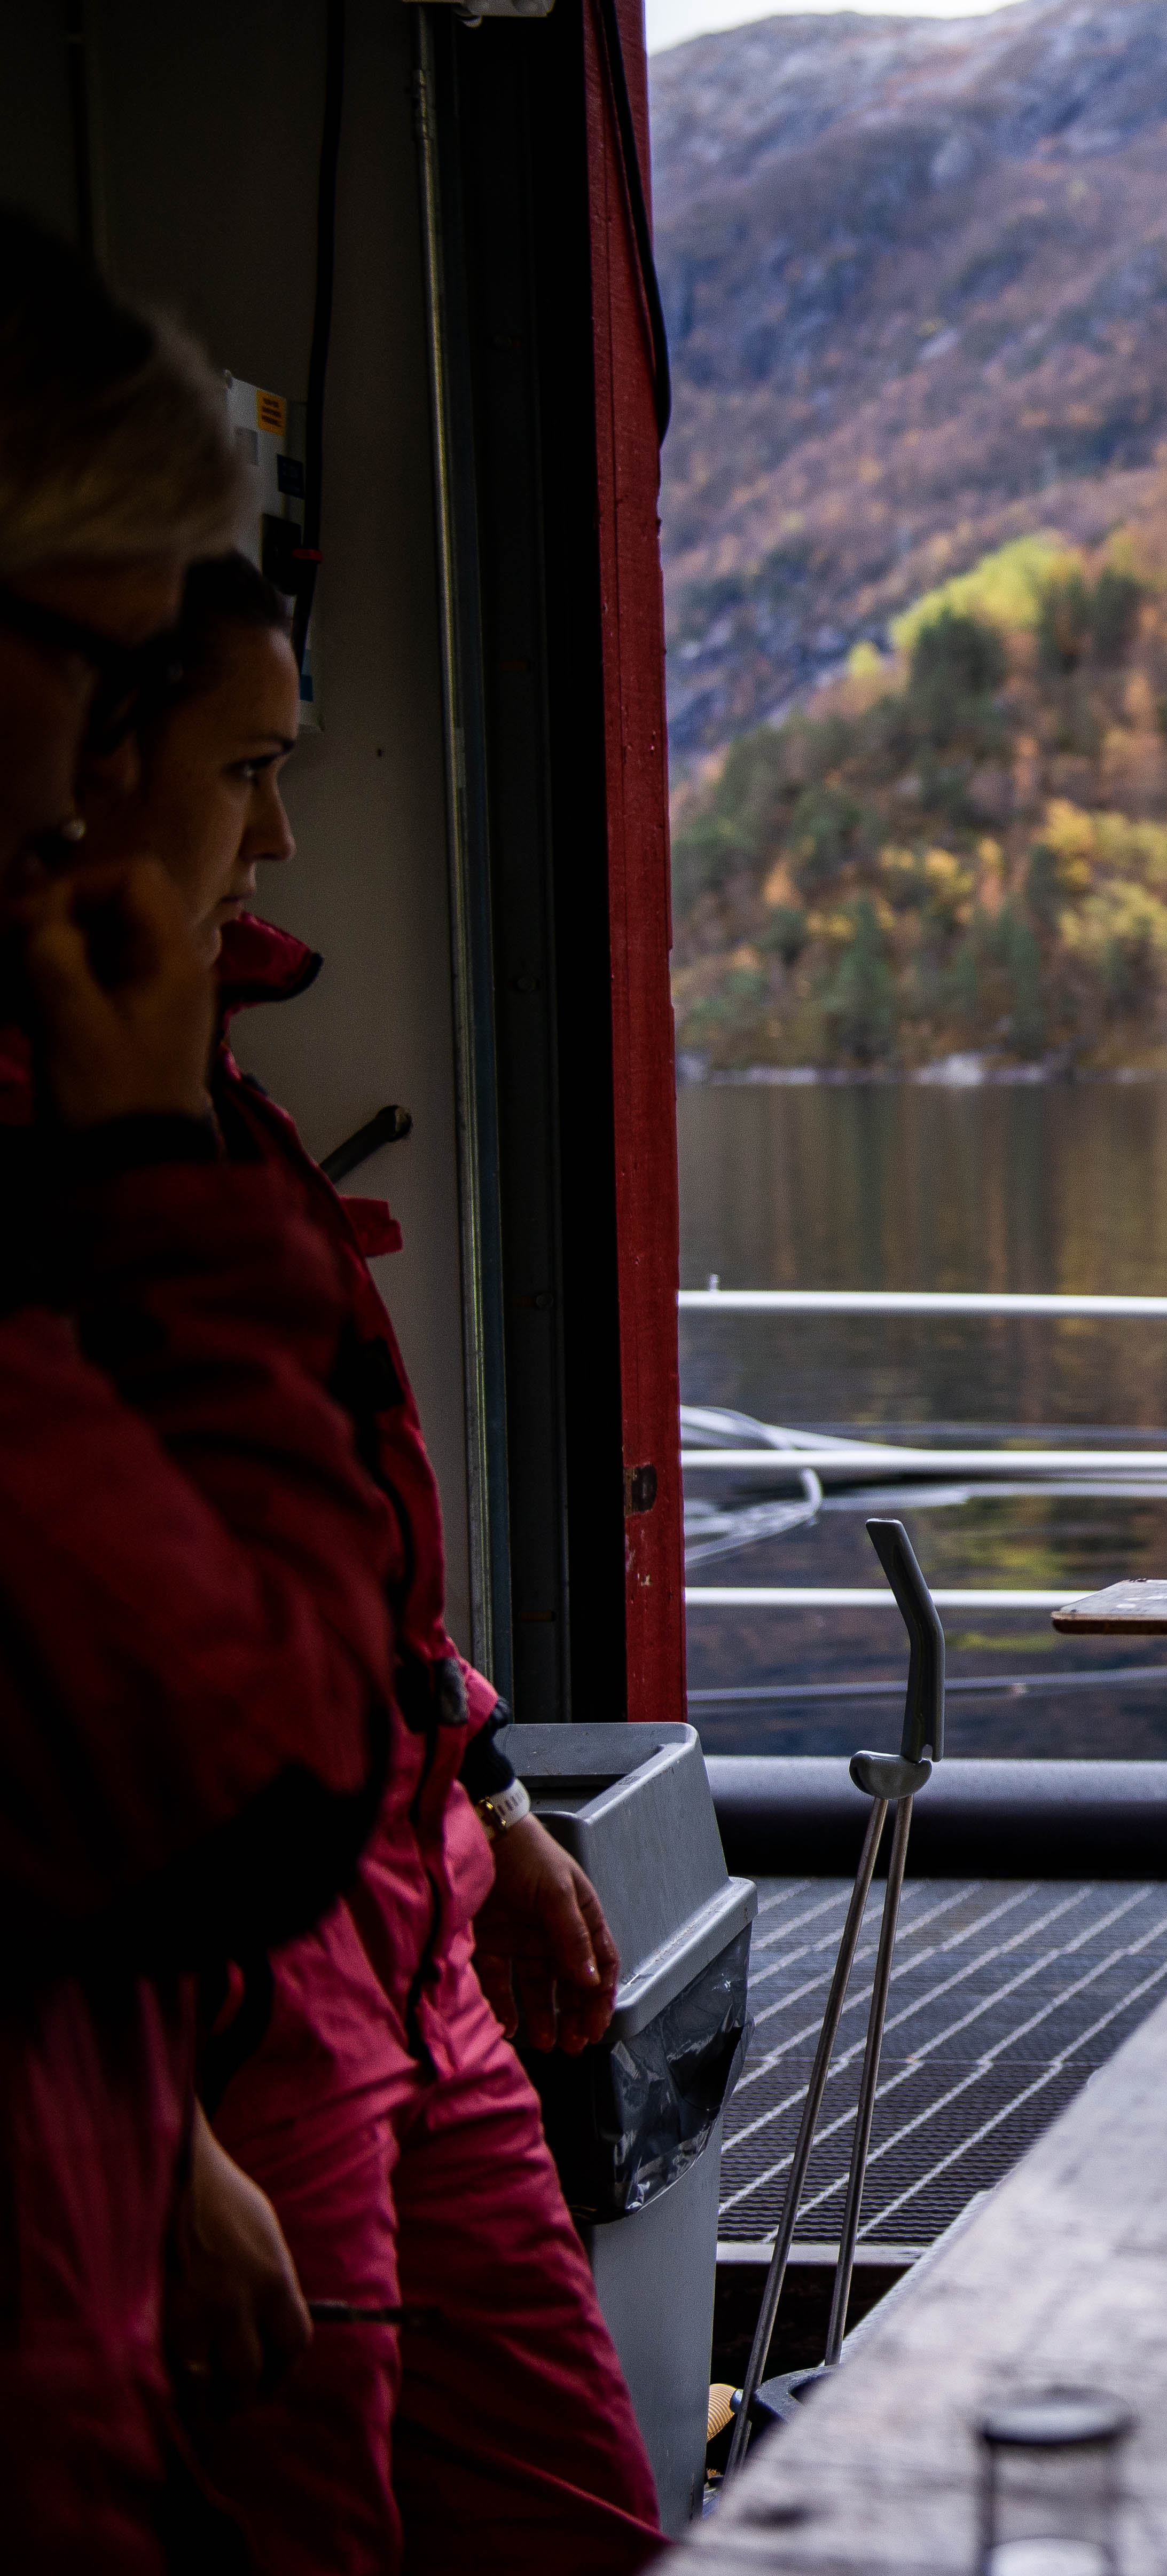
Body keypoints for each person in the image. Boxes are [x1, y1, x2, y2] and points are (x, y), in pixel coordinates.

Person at [63, 550, 666, 2571]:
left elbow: (321, 1534)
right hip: (213, 2007)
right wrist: (153, 2154)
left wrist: (486, 1788)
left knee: (577, 2511)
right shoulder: (73, 1134)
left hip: (405, 1924)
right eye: (248, 765)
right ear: (87, 756)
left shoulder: (194, 1092)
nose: (286, 828)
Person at [0, 211, 400, 2569]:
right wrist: (152, 1158)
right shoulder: (112, 1129)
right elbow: (247, 1779)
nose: (95, 762)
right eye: (100, 663)